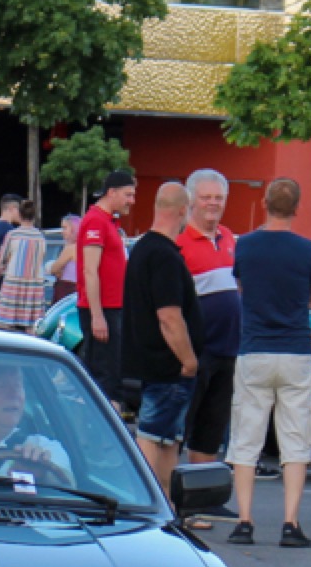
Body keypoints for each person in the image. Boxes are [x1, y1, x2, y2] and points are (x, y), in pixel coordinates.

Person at [225, 177, 311, 548]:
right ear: (297, 208)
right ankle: (290, 523)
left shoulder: (246, 246)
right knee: (295, 439)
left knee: (246, 437)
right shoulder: (307, 250)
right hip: (295, 350)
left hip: (255, 349)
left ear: (265, 203)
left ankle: (244, 520)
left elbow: (242, 289)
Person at [122, 182, 201, 487]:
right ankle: (146, 497)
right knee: (152, 436)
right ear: (183, 210)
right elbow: (169, 316)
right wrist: (189, 359)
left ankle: (167, 502)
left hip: (148, 362)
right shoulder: (165, 256)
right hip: (167, 366)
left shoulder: (142, 249)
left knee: (169, 441)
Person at [177, 168, 241, 466]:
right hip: (194, 353)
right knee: (176, 431)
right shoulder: (179, 242)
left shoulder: (229, 238)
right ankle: (165, 489)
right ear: (191, 200)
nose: (213, 203)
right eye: (206, 197)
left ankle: (201, 488)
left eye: (219, 197)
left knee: (210, 433)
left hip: (227, 352)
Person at [76, 170, 137, 395]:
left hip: (113, 307)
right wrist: (97, 315)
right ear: (112, 192)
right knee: (104, 376)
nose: (132, 201)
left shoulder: (109, 221)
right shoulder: (96, 221)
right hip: (103, 310)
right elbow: (90, 270)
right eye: (128, 195)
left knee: (113, 372)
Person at [0, 203, 52, 332]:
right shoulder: (40, 237)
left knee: (5, 323)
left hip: (13, 283)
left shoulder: (13, 235)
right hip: (34, 286)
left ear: (20, 214)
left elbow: (2, 259)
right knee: (31, 326)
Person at [48, 214, 80, 305]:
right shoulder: (84, 248)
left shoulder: (71, 248)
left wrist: (52, 267)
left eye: (65, 228)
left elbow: (54, 269)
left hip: (66, 291)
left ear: (74, 229)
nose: (62, 232)